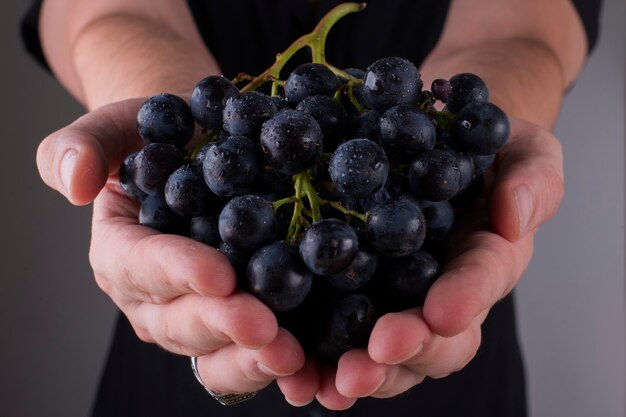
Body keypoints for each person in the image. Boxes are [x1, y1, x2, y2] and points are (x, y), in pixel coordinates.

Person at [23, 0, 601, 415]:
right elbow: (107, 11)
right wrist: (183, 115)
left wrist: (484, 145)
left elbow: (521, 24)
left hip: (437, 313)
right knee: (221, 292)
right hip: (182, 314)